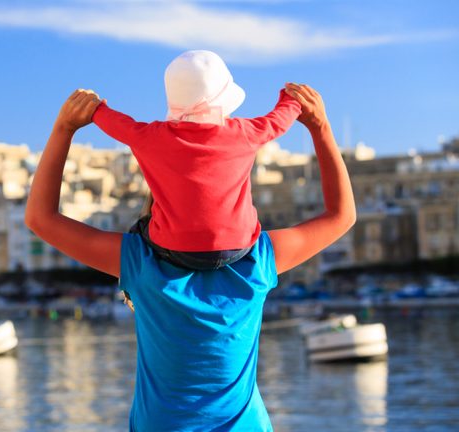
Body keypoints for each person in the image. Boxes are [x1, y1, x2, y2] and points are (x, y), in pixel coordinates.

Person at [25, 84, 355, 431]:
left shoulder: (138, 263)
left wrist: (64, 128)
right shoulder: (257, 262)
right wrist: (319, 126)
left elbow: (40, 218)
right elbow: (341, 216)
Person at [92, 50, 301, 270]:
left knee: (139, 229)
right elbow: (278, 121)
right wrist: (291, 99)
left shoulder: (151, 137)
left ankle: (138, 283)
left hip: (174, 249)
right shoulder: (244, 132)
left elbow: (119, 125)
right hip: (237, 247)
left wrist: (96, 109)